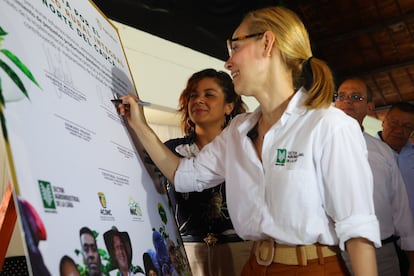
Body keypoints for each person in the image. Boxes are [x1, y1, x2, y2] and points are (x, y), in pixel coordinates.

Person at [118, 6, 381, 275]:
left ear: (267, 43)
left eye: (235, 47)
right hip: (253, 265)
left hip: (311, 268)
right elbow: (184, 175)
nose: (228, 62)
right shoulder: (239, 131)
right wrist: (139, 125)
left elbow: (357, 231)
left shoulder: (328, 125)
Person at [159, 68, 252, 276]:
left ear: (229, 106)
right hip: (188, 255)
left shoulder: (245, 146)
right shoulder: (170, 150)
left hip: (240, 251)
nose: (198, 100)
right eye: (193, 95)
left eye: (209, 95)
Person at [334, 77, 414, 276]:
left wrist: (411, 255)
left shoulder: (382, 151)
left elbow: (399, 206)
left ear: (370, 107)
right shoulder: (316, 145)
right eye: (341, 96)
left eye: (355, 97)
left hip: (382, 253)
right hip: (332, 254)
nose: (347, 101)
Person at [377, 102, 414, 276]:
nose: (399, 130)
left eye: (407, 127)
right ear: (383, 121)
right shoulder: (366, 151)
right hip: (382, 239)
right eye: (394, 123)